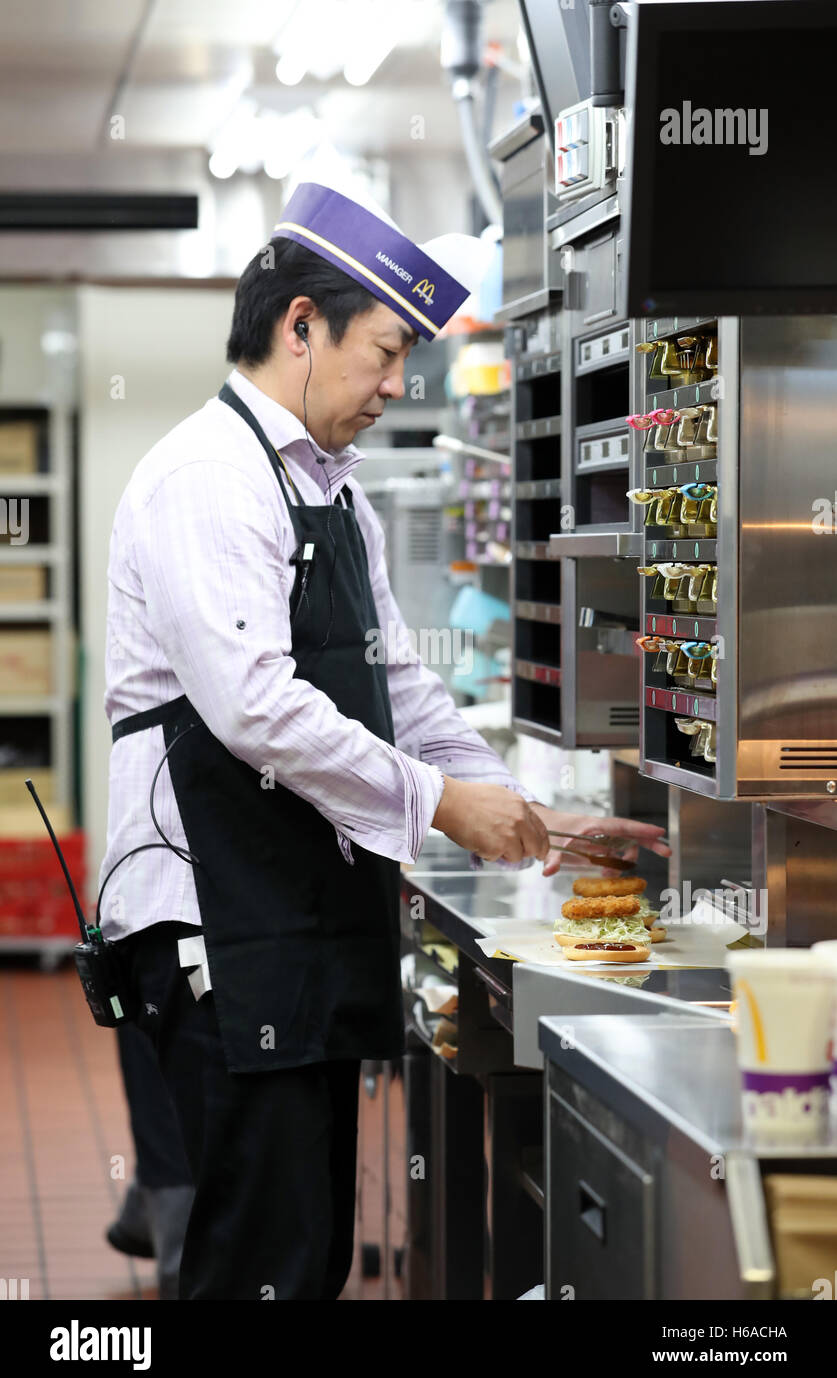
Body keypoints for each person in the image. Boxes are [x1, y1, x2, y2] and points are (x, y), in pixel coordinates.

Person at [100, 180, 669, 1300]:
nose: (401, 384)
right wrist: (445, 808)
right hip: (219, 932)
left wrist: (517, 809)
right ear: (299, 327)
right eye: (385, 350)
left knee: (303, 1256)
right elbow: (254, 706)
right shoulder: (210, 479)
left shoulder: (333, 494)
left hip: (294, 923)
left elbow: (396, 684)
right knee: (254, 1262)